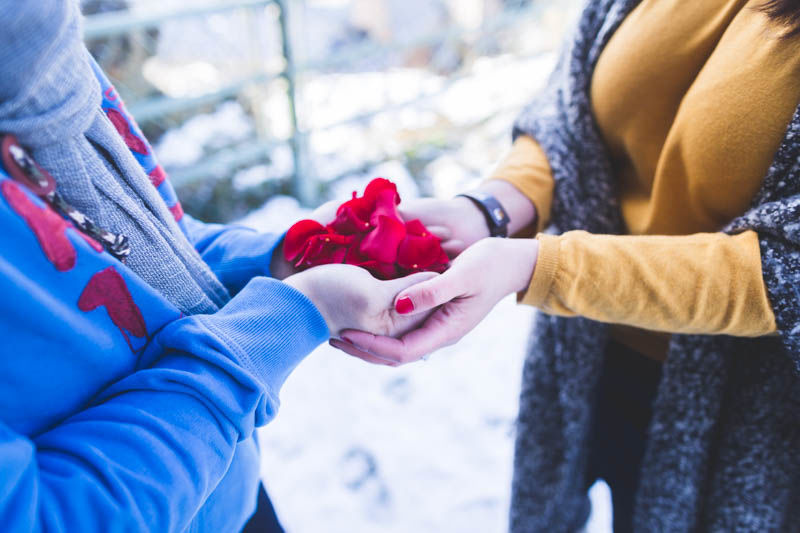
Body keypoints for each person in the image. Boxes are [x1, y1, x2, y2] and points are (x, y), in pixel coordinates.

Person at [331, 1, 800, 531]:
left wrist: (540, 269)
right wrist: (492, 208)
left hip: (739, 411)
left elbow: (786, 268)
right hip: (584, 347)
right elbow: (571, 112)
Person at [0, 2, 435, 531]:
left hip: (224, 489)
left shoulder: (38, 52)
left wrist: (278, 256)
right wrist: (292, 316)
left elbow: (139, 244)